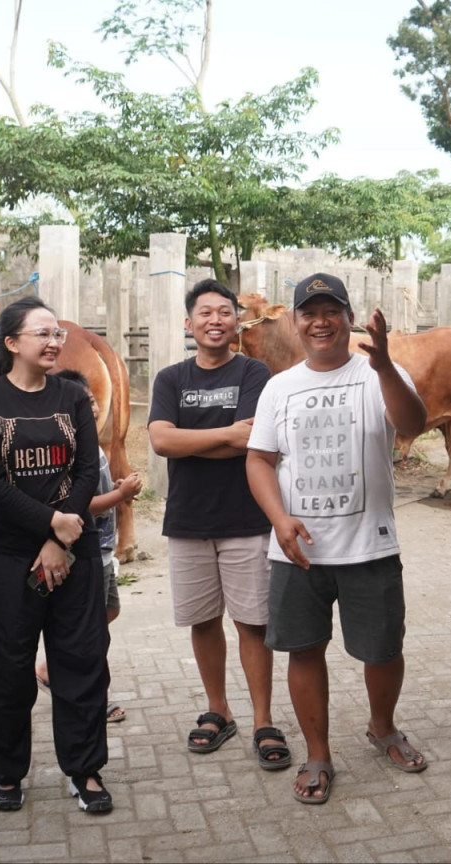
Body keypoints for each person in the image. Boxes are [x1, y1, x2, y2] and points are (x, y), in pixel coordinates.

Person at [246, 272, 429, 804]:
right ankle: (318, 753)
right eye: (310, 312)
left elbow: (412, 424)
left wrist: (386, 365)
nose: (320, 321)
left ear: (349, 318)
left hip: (369, 543)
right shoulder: (280, 386)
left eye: (331, 311)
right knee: (303, 651)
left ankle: (383, 727)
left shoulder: (379, 374)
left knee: (382, 650)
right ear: (296, 322)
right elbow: (259, 460)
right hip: (297, 552)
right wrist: (279, 520)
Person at [0, 295, 113, 815]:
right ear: (11, 344)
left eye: (58, 335)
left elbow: (85, 471)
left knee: (81, 662)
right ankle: (7, 771)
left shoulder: (72, 396)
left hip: (74, 553)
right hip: (8, 554)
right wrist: (50, 523)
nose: (54, 342)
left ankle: (85, 769)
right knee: (6, 667)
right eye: (42, 334)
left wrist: (60, 539)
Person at [148, 279, 289, 768]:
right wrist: (229, 431)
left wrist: (193, 437)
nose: (215, 320)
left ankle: (263, 720)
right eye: (204, 313)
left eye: (224, 313)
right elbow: (160, 442)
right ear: (189, 325)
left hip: (246, 518)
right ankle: (218, 710)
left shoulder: (256, 373)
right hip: (187, 520)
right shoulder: (170, 379)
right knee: (203, 621)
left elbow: (256, 443)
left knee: (253, 622)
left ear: (237, 322)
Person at [35, 369, 142, 724]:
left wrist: (117, 488)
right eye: (86, 402)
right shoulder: (68, 450)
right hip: (82, 551)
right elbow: (78, 507)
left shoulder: (91, 444)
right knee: (88, 628)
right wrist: (120, 495)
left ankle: (53, 668)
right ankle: (94, 695)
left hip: (105, 550)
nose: (94, 409)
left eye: (94, 402)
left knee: (108, 614)